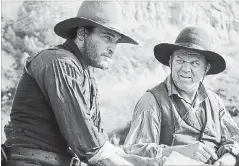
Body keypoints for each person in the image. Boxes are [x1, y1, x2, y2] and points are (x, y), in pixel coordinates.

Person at [2, 1, 139, 165]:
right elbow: (92, 147)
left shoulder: (85, 75)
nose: (112, 48)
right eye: (107, 38)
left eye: (115, 41)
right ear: (82, 33)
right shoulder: (60, 63)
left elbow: (102, 144)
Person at [124, 26, 239, 166]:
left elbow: (235, 141)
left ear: (206, 68)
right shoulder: (152, 101)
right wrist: (178, 152)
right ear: (170, 62)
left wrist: (228, 159)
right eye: (180, 61)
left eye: (194, 63)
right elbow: (133, 152)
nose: (186, 69)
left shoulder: (214, 102)